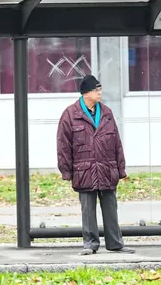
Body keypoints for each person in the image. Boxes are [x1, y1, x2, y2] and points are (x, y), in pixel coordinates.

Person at [56, 74, 135, 256]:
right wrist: (66, 171)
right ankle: (90, 244)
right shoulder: (70, 114)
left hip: (107, 168)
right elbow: (63, 145)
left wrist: (120, 169)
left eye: (100, 89)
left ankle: (115, 243)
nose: (100, 93)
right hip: (83, 170)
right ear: (86, 93)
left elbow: (116, 142)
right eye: (96, 90)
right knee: (88, 209)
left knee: (110, 207)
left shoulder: (106, 112)